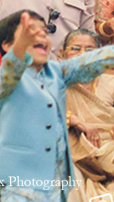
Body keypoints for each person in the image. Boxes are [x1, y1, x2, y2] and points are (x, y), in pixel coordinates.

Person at [0, 12, 114, 202]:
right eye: (30, 32)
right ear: (8, 46)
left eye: (43, 32)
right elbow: (10, 74)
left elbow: (91, 62)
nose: (40, 36)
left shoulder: (56, 72)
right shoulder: (6, 80)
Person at [60, 28, 114, 202]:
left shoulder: (109, 82)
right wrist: (75, 121)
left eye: (90, 50)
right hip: (73, 156)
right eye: (75, 48)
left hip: (107, 156)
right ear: (62, 54)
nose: (83, 54)